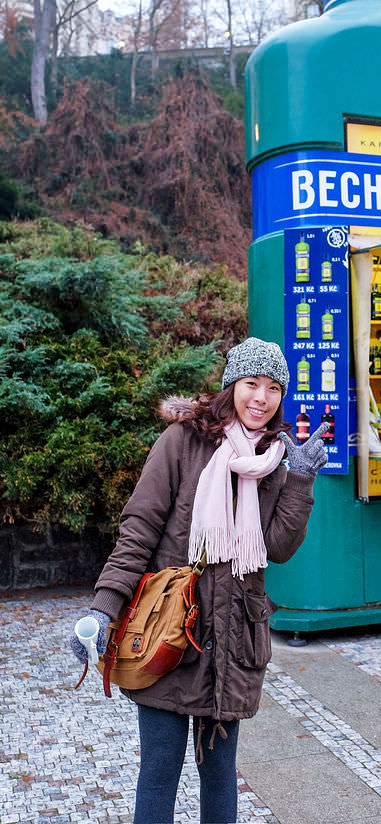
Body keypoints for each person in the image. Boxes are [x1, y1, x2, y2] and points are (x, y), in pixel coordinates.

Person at [70, 337, 328, 824]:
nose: (261, 398)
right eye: (252, 383)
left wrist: (300, 481)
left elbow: (278, 548)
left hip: (233, 640)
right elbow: (139, 528)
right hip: (170, 633)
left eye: (274, 388)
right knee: (160, 771)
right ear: (232, 385)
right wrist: (104, 607)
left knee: (220, 775)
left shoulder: (275, 458)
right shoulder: (183, 442)